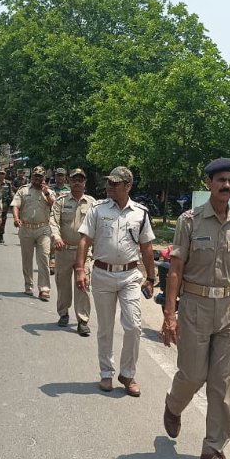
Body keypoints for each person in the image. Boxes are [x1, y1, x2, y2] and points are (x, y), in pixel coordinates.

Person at [161, 158, 230, 459]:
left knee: (222, 384)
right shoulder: (189, 221)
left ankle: (212, 451)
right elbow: (175, 270)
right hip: (196, 308)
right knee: (193, 374)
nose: (227, 185)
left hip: (229, 311)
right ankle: (173, 405)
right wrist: (169, 315)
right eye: (221, 180)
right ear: (209, 184)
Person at [75, 166, 156, 394]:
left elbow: (147, 246)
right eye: (109, 182)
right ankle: (106, 373)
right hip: (102, 274)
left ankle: (128, 374)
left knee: (133, 326)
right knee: (105, 328)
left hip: (130, 275)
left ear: (128, 186)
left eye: (115, 183)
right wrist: (80, 269)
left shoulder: (140, 213)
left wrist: (151, 277)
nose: (110, 186)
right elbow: (84, 240)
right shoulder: (98, 210)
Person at [50, 168, 96, 336]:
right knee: (63, 285)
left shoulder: (92, 203)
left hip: (84, 253)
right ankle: (63, 313)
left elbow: (97, 227)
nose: (77, 182)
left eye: (80, 180)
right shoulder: (61, 201)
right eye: (74, 179)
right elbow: (53, 221)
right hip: (64, 250)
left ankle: (82, 320)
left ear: (85, 183)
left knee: (83, 284)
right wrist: (56, 237)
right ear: (69, 182)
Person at [11, 165, 56, 299]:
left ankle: (44, 289)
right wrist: (16, 218)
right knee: (27, 259)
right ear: (31, 177)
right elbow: (15, 205)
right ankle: (28, 285)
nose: (37, 179)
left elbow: (53, 205)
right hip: (26, 228)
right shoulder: (23, 190)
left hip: (43, 228)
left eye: (40, 177)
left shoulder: (49, 191)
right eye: (35, 176)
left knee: (43, 259)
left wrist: (46, 192)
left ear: (44, 178)